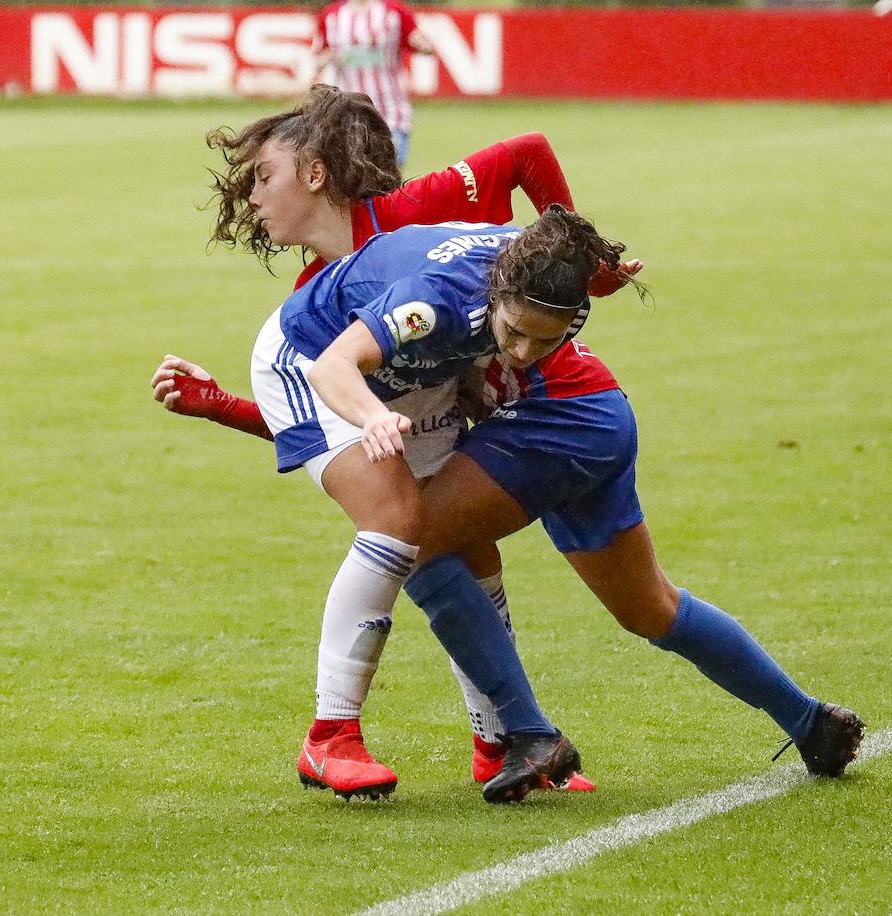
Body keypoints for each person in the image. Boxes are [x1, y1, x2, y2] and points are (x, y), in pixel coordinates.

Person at [159, 208, 867, 788]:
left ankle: (525, 735)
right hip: (598, 423)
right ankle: (809, 722)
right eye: (514, 333)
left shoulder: (451, 309)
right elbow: (336, 433)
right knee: (652, 609)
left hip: (560, 428)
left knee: (413, 541)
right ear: (495, 296)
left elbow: (350, 414)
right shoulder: (435, 304)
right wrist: (226, 406)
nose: (523, 351)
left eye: (543, 337)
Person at [181, 85, 631, 797]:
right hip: (339, 370)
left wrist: (592, 274)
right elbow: (324, 397)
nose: (253, 199)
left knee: (464, 546)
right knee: (397, 520)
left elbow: (526, 154)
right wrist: (227, 407)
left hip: (411, 373)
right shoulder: (322, 289)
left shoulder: (414, 215)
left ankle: (504, 743)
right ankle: (330, 737)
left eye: (264, 176)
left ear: (316, 174)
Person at [314, 0, 433, 166]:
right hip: (348, 112)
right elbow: (318, 58)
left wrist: (424, 44)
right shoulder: (332, 15)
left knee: (387, 173)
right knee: (353, 175)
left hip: (391, 111)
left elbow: (419, 41)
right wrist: (331, 57)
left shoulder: (394, 11)